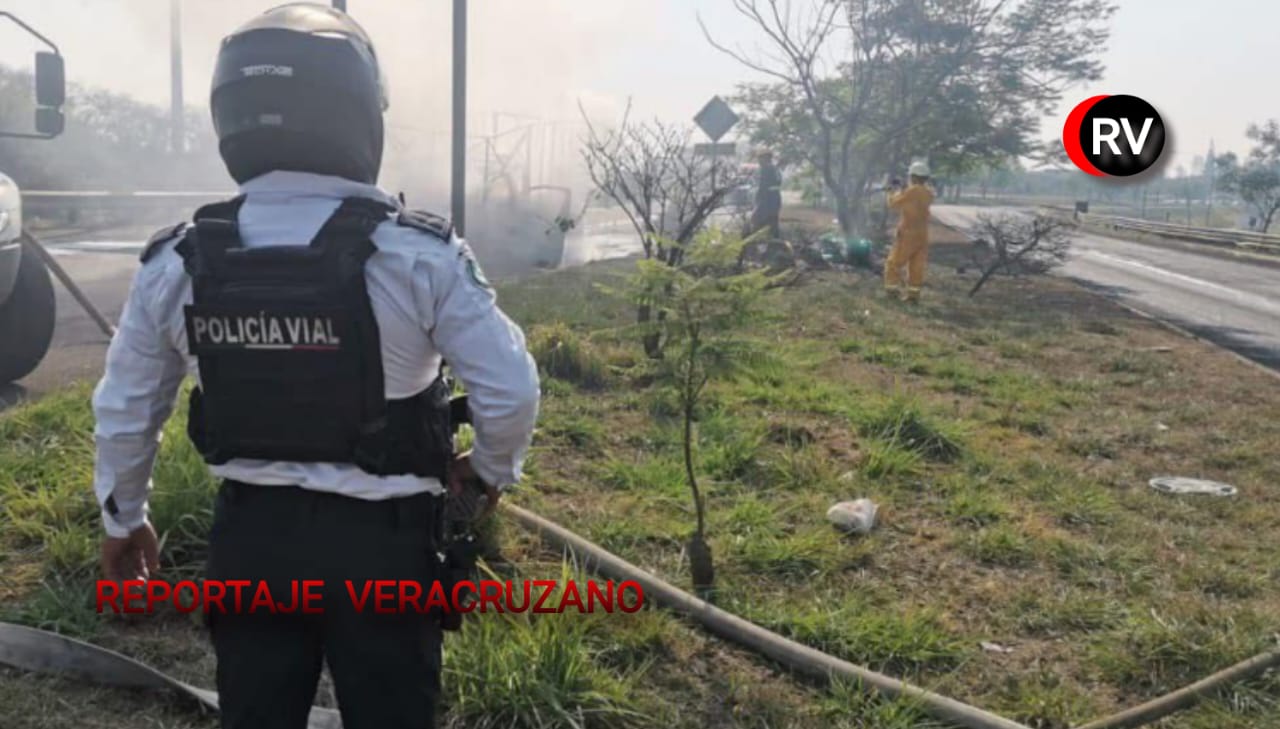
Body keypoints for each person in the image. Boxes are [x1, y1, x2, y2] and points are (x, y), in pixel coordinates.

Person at [92, 5, 540, 729]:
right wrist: (485, 472)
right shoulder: (420, 255)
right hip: (387, 552)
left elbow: (125, 407)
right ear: (360, 111)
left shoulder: (178, 260)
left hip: (252, 545)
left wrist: (124, 517)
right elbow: (512, 390)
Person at [884, 160, 936, 302]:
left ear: (913, 176)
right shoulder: (928, 193)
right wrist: (903, 189)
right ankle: (913, 295)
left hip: (908, 233)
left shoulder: (912, 191)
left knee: (893, 262)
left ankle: (892, 292)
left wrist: (890, 192)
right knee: (916, 265)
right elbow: (913, 200)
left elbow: (893, 204)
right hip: (922, 234)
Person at [751, 149, 783, 239]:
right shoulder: (774, 169)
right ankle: (774, 242)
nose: (759, 161)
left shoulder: (767, 169)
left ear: (767, 158)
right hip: (773, 199)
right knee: (772, 222)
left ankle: (756, 243)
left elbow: (763, 187)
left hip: (768, 200)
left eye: (760, 158)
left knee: (757, 221)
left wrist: (757, 202)